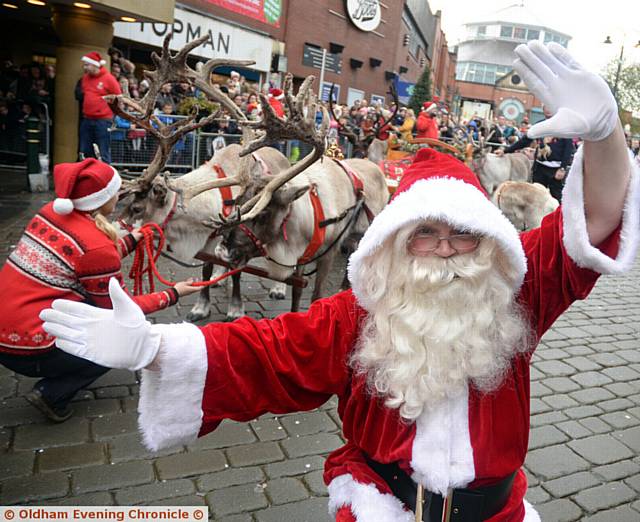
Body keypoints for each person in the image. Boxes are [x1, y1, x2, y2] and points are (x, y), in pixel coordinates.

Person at [39, 42, 639, 521]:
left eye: (464, 233)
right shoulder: (357, 316)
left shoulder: (517, 292)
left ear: (489, 241)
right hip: (380, 507)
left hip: (499, 513)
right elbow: (265, 354)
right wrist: (153, 347)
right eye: (425, 232)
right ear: (397, 241)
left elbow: (595, 221)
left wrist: (606, 131)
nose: (447, 249)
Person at [0, 159, 199, 423]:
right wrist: (174, 293)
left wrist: (132, 239)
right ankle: (51, 393)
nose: (119, 195)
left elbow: (84, 258)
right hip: (24, 347)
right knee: (120, 341)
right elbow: (120, 309)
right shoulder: (96, 246)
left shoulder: (51, 211)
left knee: (93, 307)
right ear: (100, 199)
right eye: (115, 191)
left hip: (8, 328)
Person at [496, 107, 574, 202]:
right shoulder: (539, 125)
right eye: (545, 106)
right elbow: (525, 141)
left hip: (556, 169)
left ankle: (557, 217)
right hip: (539, 168)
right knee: (537, 198)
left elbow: (568, 149)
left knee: (556, 198)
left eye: (550, 105)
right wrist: (505, 150)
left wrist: (562, 168)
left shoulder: (563, 126)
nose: (548, 109)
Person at [78, 52, 121, 164]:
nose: (85, 67)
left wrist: (115, 116)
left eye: (87, 64)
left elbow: (119, 97)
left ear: (95, 65)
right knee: (85, 150)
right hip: (87, 118)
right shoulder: (85, 79)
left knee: (103, 151)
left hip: (103, 120)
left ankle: (105, 177)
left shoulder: (109, 78)